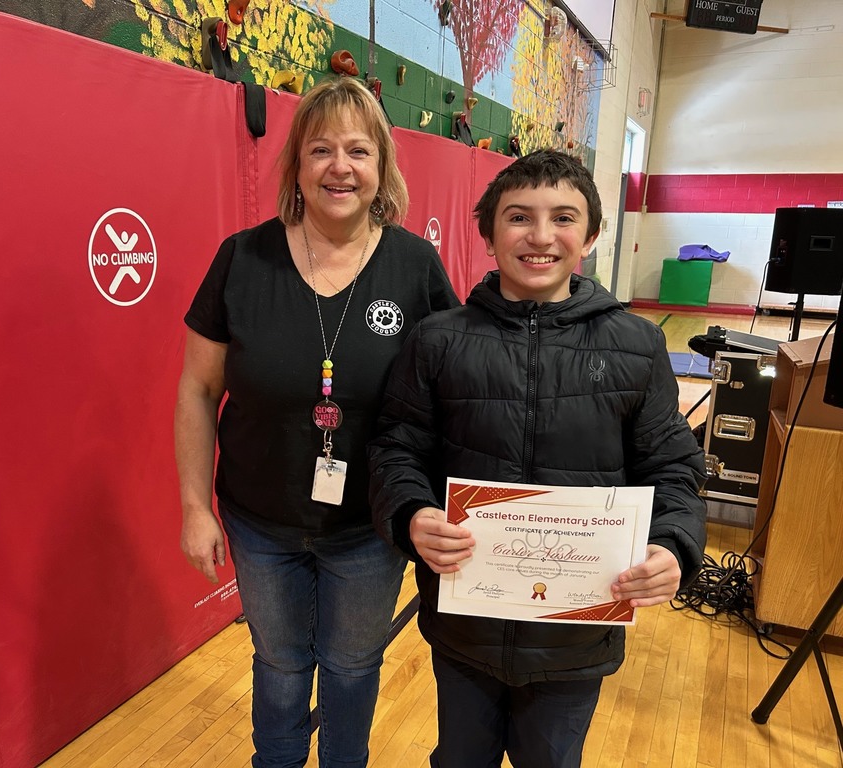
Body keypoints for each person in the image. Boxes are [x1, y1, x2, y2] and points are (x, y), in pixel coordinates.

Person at [368, 149, 707, 768]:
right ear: (489, 233)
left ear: (592, 235)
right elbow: (397, 449)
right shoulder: (439, 339)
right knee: (458, 759)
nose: (541, 236)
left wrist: (673, 544)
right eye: (519, 217)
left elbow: (674, 468)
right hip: (464, 625)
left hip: (576, 632)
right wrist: (412, 514)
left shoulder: (635, 345)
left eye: (564, 218)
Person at [175, 76, 459, 768]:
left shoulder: (415, 266)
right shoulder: (242, 259)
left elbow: (453, 394)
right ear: (297, 166)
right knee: (277, 664)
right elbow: (196, 389)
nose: (340, 167)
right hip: (258, 518)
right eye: (321, 149)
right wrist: (193, 506)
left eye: (358, 151)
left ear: (381, 167)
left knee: (352, 666)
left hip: (369, 525)